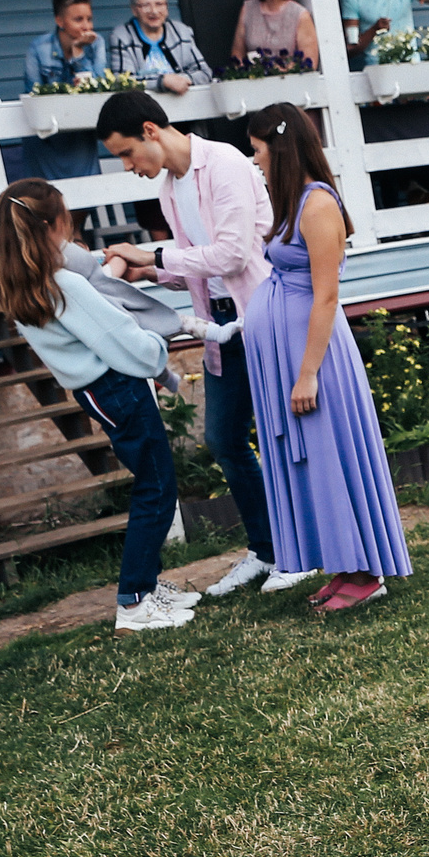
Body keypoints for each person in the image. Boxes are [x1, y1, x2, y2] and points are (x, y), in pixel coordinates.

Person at [94, 90, 318, 599]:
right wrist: (148, 269)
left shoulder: (224, 164)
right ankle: (268, 549)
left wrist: (153, 253)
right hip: (217, 325)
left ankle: (302, 552)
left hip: (260, 316)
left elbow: (235, 256)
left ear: (151, 130)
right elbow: (198, 266)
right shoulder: (171, 186)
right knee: (222, 438)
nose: (128, 166)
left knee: (283, 437)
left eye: (127, 153)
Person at [0, 178, 197, 635]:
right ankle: (135, 600)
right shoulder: (63, 284)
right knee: (157, 487)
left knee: (152, 483)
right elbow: (123, 342)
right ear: (52, 224)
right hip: (117, 384)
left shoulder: (21, 285)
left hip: (96, 391)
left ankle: (147, 584)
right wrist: (157, 355)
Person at [237, 103, 411, 612]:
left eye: (258, 150)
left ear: (282, 148)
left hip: (316, 359)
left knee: (332, 455)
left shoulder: (317, 206)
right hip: (290, 355)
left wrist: (307, 372)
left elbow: (326, 295)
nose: (255, 161)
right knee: (314, 460)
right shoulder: (291, 204)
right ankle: (344, 565)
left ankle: (366, 571)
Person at [22, 0, 103, 179]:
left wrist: (79, 54)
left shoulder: (96, 44)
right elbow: (34, 93)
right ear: (60, 21)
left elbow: (98, 88)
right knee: (49, 199)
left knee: (84, 195)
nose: (86, 26)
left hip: (80, 136)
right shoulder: (38, 49)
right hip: (47, 138)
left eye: (89, 19)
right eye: (78, 19)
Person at [108, 0, 213, 93]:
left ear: (167, 7)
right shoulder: (122, 37)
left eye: (159, 4)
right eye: (146, 5)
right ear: (134, 10)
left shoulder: (181, 32)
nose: (154, 11)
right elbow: (123, 82)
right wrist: (162, 82)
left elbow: (204, 72)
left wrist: (181, 80)